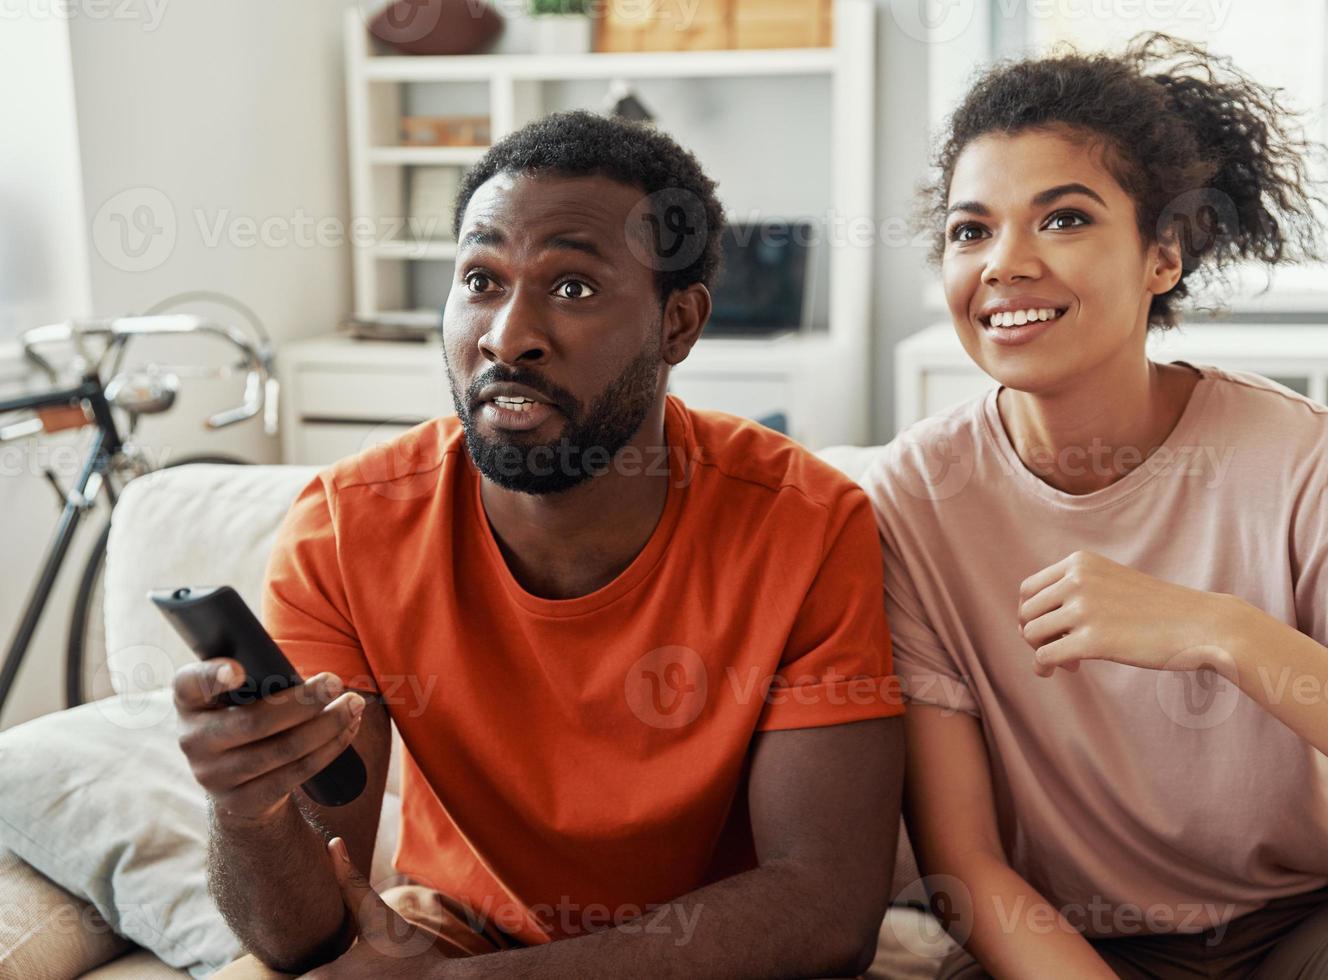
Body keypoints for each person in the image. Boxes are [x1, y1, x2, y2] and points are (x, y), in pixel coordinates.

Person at [177, 110, 904, 979]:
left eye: (573, 288)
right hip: (452, 926)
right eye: (480, 278)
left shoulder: (809, 524)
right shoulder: (343, 527)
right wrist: (245, 809)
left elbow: (825, 909)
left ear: (679, 325)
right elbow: (303, 938)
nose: (506, 334)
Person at [861, 34, 1328, 980]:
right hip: (1064, 950)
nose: (1004, 263)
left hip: (1310, 930)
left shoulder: (1288, 452)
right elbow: (966, 864)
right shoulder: (910, 500)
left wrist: (1223, 632)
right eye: (971, 230)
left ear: (1163, 255)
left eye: (1063, 219)